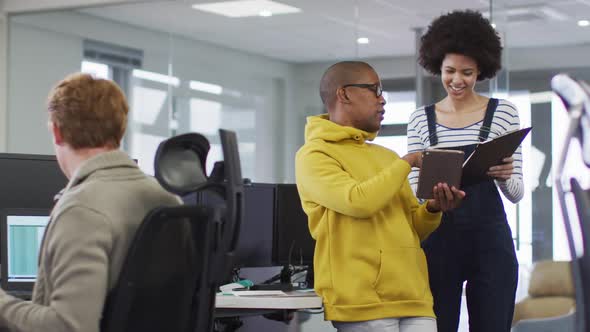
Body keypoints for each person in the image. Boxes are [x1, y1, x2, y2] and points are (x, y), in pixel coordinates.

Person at [0, 73, 181, 332]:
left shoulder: (81, 209)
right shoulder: (168, 200)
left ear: (57, 131)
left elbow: (67, 327)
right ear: (119, 130)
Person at [295, 61, 465, 332]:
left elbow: (414, 228)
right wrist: (408, 161)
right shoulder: (314, 155)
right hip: (362, 302)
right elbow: (358, 201)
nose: (382, 99)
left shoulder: (386, 157)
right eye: (374, 90)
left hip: (414, 296)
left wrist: (433, 208)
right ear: (344, 94)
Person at [407, 10, 524, 332]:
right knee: (437, 325)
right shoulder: (421, 119)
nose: (457, 80)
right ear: (437, 68)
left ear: (481, 71)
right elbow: (416, 190)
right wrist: (432, 200)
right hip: (438, 236)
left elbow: (517, 193)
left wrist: (503, 176)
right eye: (450, 71)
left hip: (491, 238)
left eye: (467, 72)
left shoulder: (502, 113)